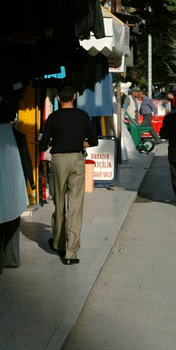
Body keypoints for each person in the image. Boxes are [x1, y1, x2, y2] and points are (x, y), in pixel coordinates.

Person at [40, 86, 99, 265]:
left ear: (58, 99)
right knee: (75, 206)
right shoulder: (83, 116)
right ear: (74, 97)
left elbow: (43, 144)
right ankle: (71, 253)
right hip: (77, 160)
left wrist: (53, 141)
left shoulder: (53, 117)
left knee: (59, 203)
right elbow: (94, 141)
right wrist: (79, 142)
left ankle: (58, 243)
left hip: (58, 160)